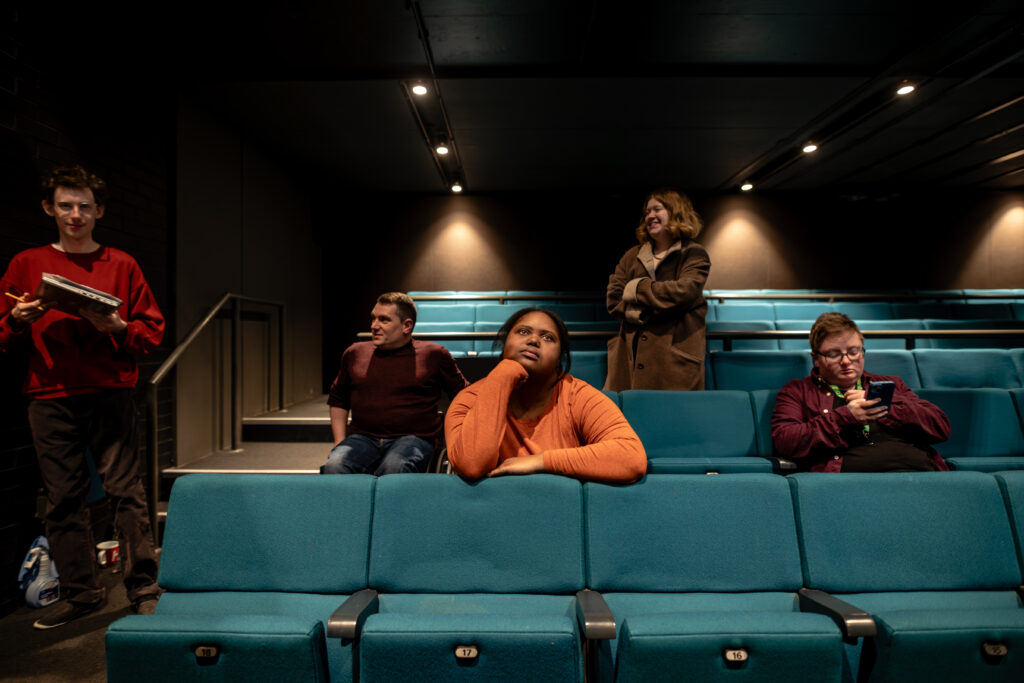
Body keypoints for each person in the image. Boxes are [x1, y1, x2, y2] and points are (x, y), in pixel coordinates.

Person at [0, 166, 164, 629]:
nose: (76, 214)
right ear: (49, 208)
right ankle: (82, 594)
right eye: (66, 205)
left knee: (125, 492)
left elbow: (151, 332)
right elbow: (4, 332)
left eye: (85, 206)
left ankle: (143, 588)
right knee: (63, 499)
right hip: (48, 394)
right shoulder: (25, 263)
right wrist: (18, 318)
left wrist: (118, 326)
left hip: (110, 391)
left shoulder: (122, 263)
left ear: (99, 211)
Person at [445, 307, 647, 482]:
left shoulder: (578, 396)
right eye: (523, 332)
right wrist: (503, 374)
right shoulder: (469, 399)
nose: (533, 340)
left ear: (560, 358)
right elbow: (471, 465)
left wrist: (540, 461)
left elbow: (631, 457)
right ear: (505, 343)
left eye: (547, 337)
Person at [772, 312, 950, 472]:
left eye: (853, 351)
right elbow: (785, 441)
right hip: (855, 484)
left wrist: (885, 406)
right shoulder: (797, 391)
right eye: (834, 354)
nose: (846, 361)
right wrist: (846, 417)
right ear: (816, 359)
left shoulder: (890, 383)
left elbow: (940, 427)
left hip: (922, 473)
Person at [322, 292, 468, 475]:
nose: (374, 326)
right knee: (334, 466)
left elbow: (464, 395)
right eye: (373, 318)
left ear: (407, 325)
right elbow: (338, 400)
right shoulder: (354, 353)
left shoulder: (434, 354)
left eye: (384, 320)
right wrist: (339, 442)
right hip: (363, 438)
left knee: (394, 469)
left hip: (414, 439)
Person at [605, 189, 711, 391]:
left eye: (657, 209)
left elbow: (684, 292)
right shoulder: (632, 255)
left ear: (676, 212)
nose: (650, 216)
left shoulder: (693, 253)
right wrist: (647, 311)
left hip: (675, 360)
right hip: (631, 358)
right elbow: (614, 299)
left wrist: (637, 287)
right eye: (647, 212)